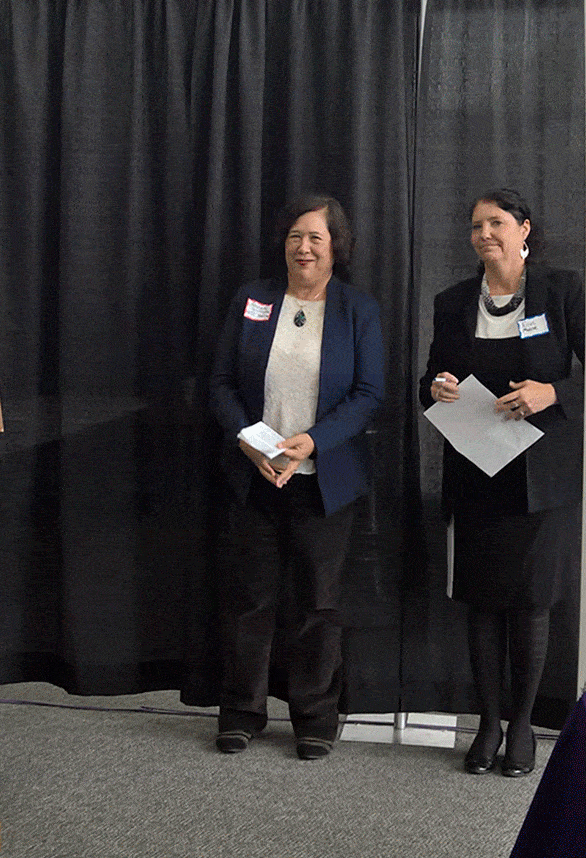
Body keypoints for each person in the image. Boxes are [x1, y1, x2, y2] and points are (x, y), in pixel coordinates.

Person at [208, 194, 385, 760]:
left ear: (337, 247)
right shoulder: (252, 299)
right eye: (294, 237)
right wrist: (247, 440)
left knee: (319, 603)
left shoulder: (357, 310)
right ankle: (241, 712)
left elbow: (368, 394)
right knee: (248, 600)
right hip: (255, 474)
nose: (303, 247)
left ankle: (314, 717)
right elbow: (218, 384)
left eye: (315, 238)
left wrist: (313, 441)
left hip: (323, 479)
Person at [420, 188, 583, 777]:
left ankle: (521, 726)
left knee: (531, 604)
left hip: (541, 479)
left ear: (524, 230)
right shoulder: (453, 302)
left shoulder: (563, 293)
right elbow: (430, 381)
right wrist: (434, 389)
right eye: (475, 226)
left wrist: (554, 392)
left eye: (496, 223)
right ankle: (486, 725)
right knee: (483, 603)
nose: (484, 233)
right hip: (478, 471)